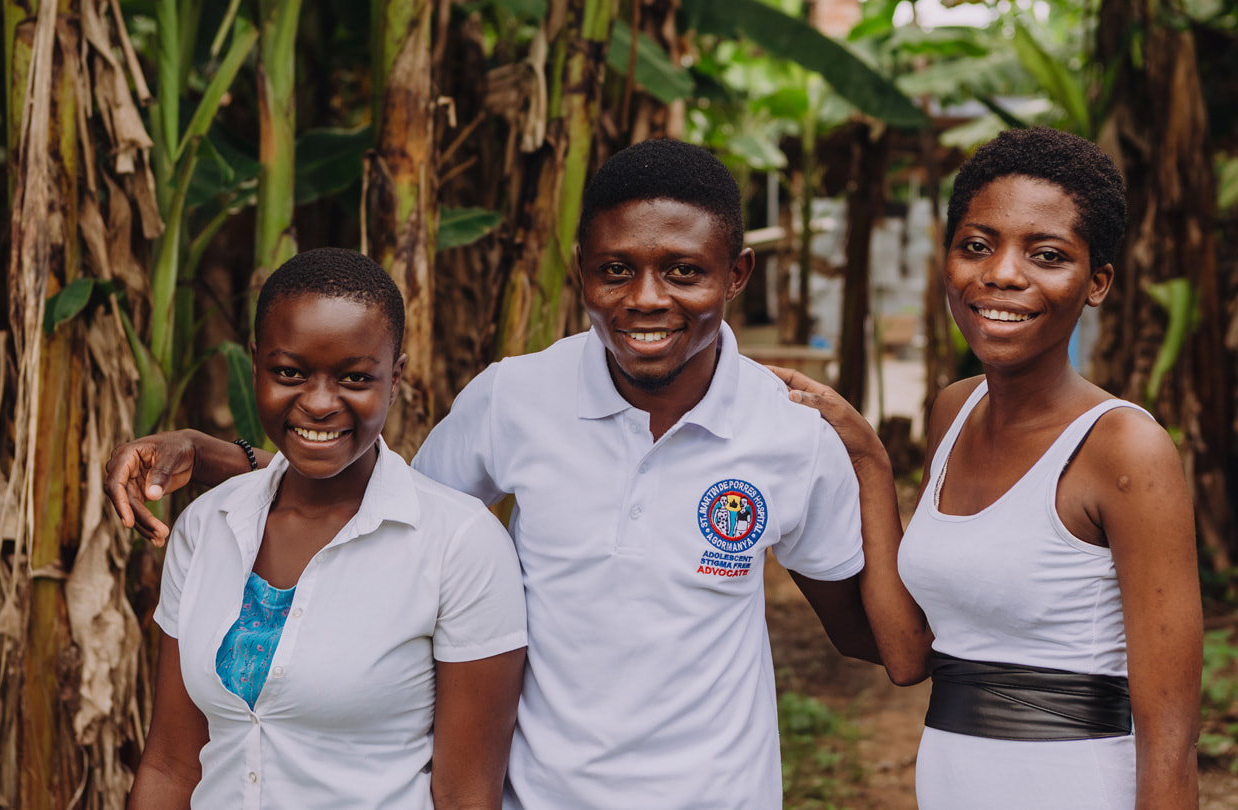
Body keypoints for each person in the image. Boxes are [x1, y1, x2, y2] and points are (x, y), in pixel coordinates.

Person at [109, 140, 890, 809]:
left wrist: (872, 467)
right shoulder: (515, 397)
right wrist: (224, 460)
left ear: (737, 273)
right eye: (616, 269)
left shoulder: (789, 430)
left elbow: (863, 636)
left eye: (684, 271)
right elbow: (385, 504)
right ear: (581, 268)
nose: (647, 298)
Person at [777, 127, 1202, 809]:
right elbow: (908, 655)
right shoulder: (953, 412)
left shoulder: (1124, 448)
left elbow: (1171, 735)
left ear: (1097, 282)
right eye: (977, 246)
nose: (1001, 273)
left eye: (1046, 254)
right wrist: (869, 460)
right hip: (951, 783)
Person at [126, 248, 527, 809]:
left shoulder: (459, 545)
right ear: (255, 364)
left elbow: (465, 794)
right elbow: (170, 765)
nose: (317, 403)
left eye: (355, 377)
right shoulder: (207, 525)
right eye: (289, 372)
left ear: (396, 378)